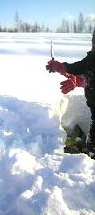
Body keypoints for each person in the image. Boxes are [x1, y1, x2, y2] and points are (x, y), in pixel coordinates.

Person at [46, 29, 95, 159]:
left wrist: (74, 76)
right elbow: (84, 70)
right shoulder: (92, 59)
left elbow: (82, 69)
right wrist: (77, 80)